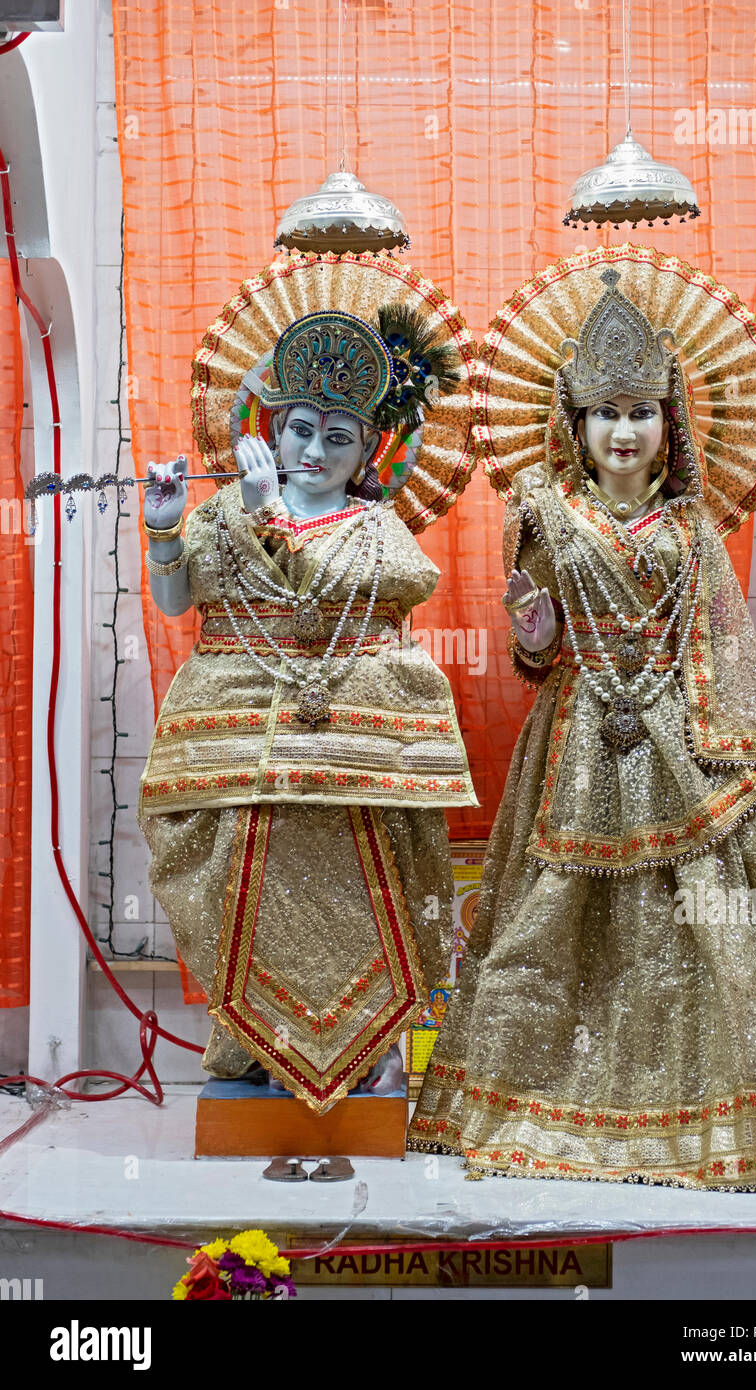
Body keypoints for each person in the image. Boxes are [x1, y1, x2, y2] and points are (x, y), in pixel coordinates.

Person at [409, 247, 756, 1189]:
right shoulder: (540, 509)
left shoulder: (691, 527)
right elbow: (535, 651)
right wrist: (532, 631)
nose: (623, 431)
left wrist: (722, 748)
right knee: (550, 917)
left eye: (640, 412)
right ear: (575, 423)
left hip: (677, 736)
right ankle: (539, 1103)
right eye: (606, 413)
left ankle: (718, 1113)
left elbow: (720, 643)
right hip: (574, 738)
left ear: (670, 422)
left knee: (714, 922)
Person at [137, 254, 477, 1112]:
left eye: (338, 436)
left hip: (351, 740)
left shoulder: (376, 525)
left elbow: (357, 605)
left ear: (370, 450)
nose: (313, 450)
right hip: (243, 724)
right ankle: (251, 1050)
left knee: (372, 893)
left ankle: (373, 1056)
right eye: (299, 428)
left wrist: (266, 514)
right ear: (267, 426)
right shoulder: (232, 504)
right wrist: (168, 526)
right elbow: (182, 601)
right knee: (233, 883)